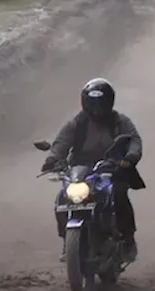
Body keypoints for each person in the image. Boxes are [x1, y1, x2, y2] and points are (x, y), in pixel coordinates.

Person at [40, 78, 145, 263]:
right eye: (92, 103)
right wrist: (52, 159)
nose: (96, 108)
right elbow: (61, 143)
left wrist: (129, 157)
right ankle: (67, 240)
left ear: (109, 102)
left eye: (101, 103)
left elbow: (134, 140)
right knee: (62, 199)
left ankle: (128, 240)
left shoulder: (120, 121)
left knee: (119, 195)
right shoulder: (77, 123)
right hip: (81, 170)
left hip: (113, 167)